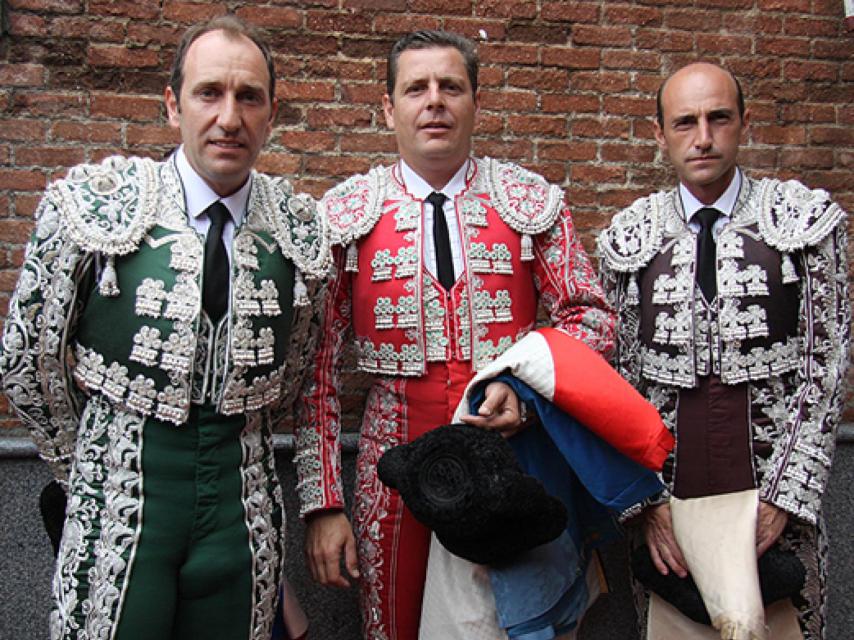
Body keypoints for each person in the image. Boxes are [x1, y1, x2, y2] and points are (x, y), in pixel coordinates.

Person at [0, 15, 330, 640]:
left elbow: (295, 371)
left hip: (242, 500)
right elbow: (26, 360)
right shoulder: (96, 202)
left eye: (248, 97)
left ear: (272, 114)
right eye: (209, 93)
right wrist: (88, 467)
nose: (229, 118)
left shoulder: (300, 227)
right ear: (173, 105)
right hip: (118, 494)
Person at [294, 29, 615, 640]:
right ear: (388, 108)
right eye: (416, 88)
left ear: (476, 103)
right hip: (392, 473)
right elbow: (317, 369)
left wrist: (525, 388)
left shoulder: (528, 202)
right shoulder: (345, 216)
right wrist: (324, 503)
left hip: (514, 455)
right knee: (396, 627)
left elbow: (591, 316)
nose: (434, 101)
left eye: (451, 87)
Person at [597, 62, 849, 639]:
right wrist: (645, 505)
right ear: (660, 133)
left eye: (719, 118)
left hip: (774, 503)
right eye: (685, 122)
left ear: (745, 123)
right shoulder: (629, 237)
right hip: (669, 505)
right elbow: (618, 384)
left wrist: (786, 498)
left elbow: (827, 366)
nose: (703, 138)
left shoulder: (802, 221)